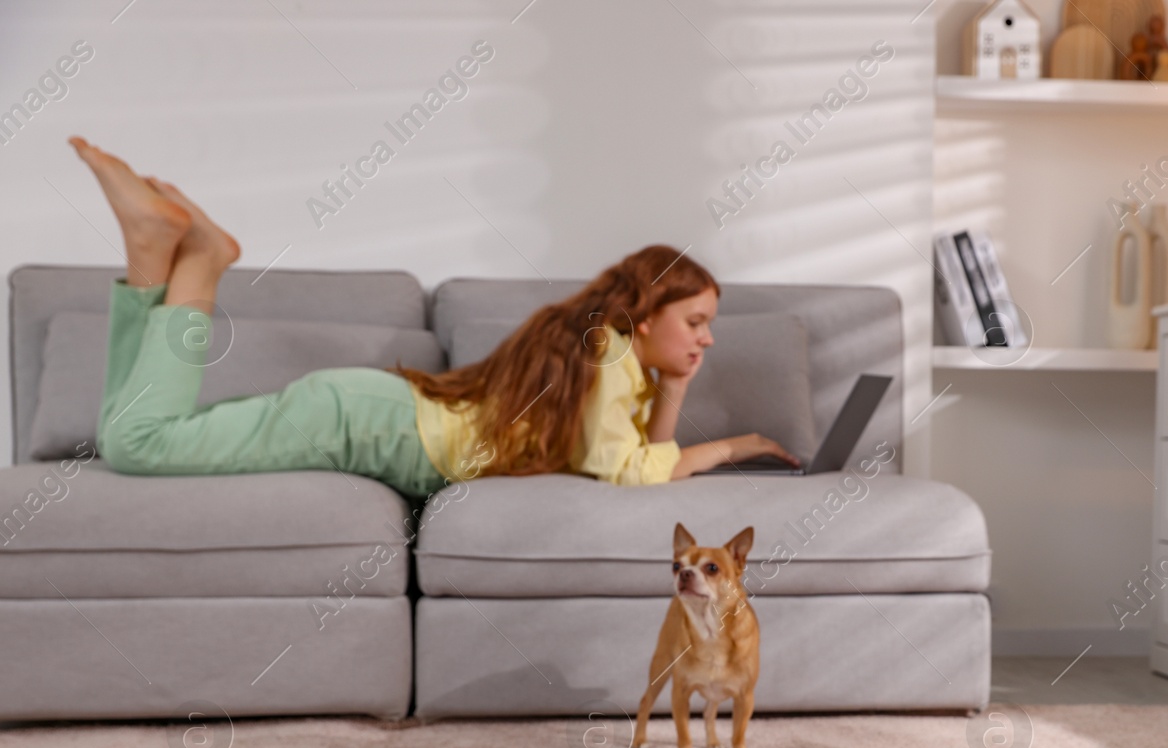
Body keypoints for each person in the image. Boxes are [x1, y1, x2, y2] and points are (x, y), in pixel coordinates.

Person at [68, 137, 800, 499]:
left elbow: (632, 449)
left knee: (120, 434)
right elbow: (623, 468)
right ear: (643, 319)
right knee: (140, 443)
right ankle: (199, 262)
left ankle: (148, 254)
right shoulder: (607, 354)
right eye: (696, 320)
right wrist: (733, 447)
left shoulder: (607, 353)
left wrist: (672, 391)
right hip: (366, 421)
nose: (706, 337)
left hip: (367, 410)